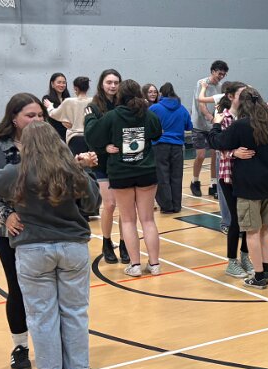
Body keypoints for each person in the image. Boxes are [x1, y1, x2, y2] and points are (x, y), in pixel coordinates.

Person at [0, 122, 100, 369]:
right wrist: (84, 168)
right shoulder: (71, 171)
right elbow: (93, 203)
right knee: (75, 311)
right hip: (72, 247)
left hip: (33, 249)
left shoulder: (17, 171)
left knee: (41, 315)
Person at [0, 94, 47, 369]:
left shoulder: (45, 142)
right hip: (11, 233)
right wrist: (6, 216)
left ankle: (49, 344)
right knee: (17, 289)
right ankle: (20, 347)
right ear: (14, 118)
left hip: (43, 227)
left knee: (45, 290)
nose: (37, 120)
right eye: (30, 115)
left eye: (40, 115)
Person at [209, 86, 268, 289]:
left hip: (250, 185)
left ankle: (259, 275)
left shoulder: (241, 125)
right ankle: (266, 269)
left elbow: (216, 141)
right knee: (266, 228)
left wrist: (216, 124)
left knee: (252, 231)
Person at [85, 79, 163, 275]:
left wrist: (89, 117)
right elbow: (157, 133)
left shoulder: (112, 116)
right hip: (146, 171)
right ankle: (154, 265)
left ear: (120, 95)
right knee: (148, 220)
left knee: (128, 220)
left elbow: (93, 136)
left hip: (121, 173)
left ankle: (135, 265)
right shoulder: (148, 114)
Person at [85, 70, 128, 265]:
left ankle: (125, 243)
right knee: (109, 204)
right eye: (109, 82)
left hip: (122, 163)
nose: (112, 86)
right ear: (101, 84)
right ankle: (107, 242)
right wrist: (104, 148)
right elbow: (90, 136)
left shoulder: (124, 104)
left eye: (116, 82)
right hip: (103, 162)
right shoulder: (93, 107)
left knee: (125, 207)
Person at [212, 81, 251, 279]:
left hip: (247, 174)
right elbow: (219, 146)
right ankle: (232, 261)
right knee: (236, 219)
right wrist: (233, 153)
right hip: (228, 175)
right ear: (230, 96)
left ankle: (245, 256)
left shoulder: (248, 117)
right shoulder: (223, 117)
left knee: (248, 219)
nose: (244, 98)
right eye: (241, 94)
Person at [150, 82, 192, 214]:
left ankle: (166, 206)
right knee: (176, 176)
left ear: (161, 93)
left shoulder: (154, 108)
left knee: (162, 176)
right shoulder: (182, 108)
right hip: (178, 146)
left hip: (160, 145)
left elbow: (147, 124)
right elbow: (189, 126)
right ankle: (176, 205)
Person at [190, 60, 228, 199]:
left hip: (213, 125)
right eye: (219, 74)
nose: (221, 76)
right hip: (200, 125)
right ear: (213, 71)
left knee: (214, 155)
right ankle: (195, 181)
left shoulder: (221, 86)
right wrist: (210, 117)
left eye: (224, 74)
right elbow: (201, 103)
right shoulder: (202, 83)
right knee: (200, 155)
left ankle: (214, 184)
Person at [46, 75, 93, 154]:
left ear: (75, 88)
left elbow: (53, 114)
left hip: (74, 138)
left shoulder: (68, 101)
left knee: (76, 160)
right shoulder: (93, 101)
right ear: (87, 88)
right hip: (91, 137)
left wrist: (50, 106)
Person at [43, 72, 69, 138]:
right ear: (52, 84)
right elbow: (53, 117)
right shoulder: (47, 99)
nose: (62, 85)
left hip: (69, 133)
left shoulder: (68, 99)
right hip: (54, 134)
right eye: (59, 82)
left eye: (64, 83)